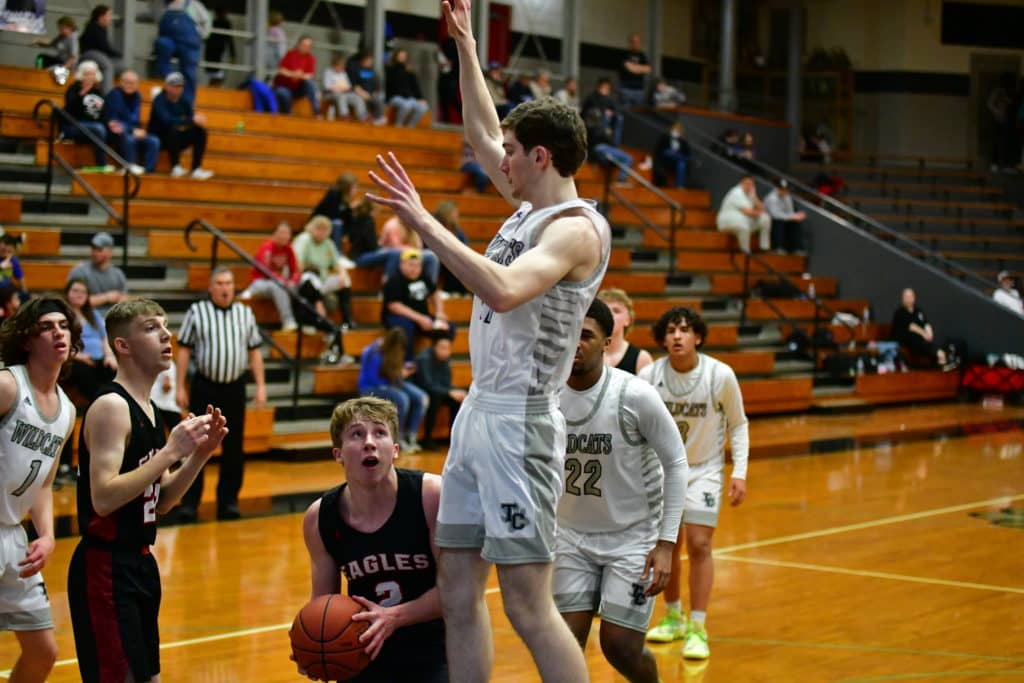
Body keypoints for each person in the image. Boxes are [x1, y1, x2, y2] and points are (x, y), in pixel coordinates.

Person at [365, 2, 612, 680]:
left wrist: (423, 223)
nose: (496, 159)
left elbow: (503, 289)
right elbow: (479, 130)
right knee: (457, 588)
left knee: (528, 604)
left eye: (510, 151)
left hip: (521, 424)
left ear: (540, 157)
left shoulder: (574, 230)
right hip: (479, 414)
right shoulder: (530, 206)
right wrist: (467, 47)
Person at [67, 299, 227, 683]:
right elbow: (103, 498)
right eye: (152, 328)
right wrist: (171, 451)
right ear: (122, 345)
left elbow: (162, 500)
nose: (166, 334)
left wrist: (199, 455)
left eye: (165, 326)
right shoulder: (111, 407)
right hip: (105, 567)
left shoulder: (150, 408)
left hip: (140, 563)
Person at [555, 298, 687, 683]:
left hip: (632, 537)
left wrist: (666, 544)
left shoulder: (634, 395)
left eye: (586, 335)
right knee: (560, 646)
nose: (575, 343)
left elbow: (676, 463)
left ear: (607, 342)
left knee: (620, 647)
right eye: (568, 334)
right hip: (570, 536)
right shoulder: (546, 396)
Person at [298, 396, 446, 682]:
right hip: (362, 649)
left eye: (379, 433)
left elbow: (457, 591)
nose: (369, 442)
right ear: (338, 454)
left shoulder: (431, 496)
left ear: (395, 449)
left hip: (434, 646)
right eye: (356, 434)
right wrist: (315, 643)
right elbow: (323, 601)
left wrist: (394, 617)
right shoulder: (320, 517)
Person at [640, 306, 748, 661]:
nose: (677, 336)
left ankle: (698, 626)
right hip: (662, 471)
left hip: (704, 469)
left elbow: (739, 424)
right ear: (662, 339)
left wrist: (740, 472)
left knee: (700, 544)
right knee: (668, 545)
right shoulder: (650, 376)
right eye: (671, 330)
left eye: (684, 330)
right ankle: (673, 617)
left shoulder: (720, 375)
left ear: (697, 337)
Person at [0, 297, 79, 683]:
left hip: (14, 537)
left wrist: (46, 535)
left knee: (43, 652)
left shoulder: (68, 410)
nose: (58, 333)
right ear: (28, 340)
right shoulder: (7, 385)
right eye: (47, 327)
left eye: (63, 325)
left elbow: (45, 481)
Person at [173, 266, 265, 523]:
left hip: (235, 388)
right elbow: (184, 350)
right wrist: (180, 386)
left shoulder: (245, 313)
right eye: (220, 283)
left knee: (234, 448)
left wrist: (260, 386)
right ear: (211, 287)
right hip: (205, 387)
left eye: (229, 283)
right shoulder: (197, 311)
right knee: (196, 444)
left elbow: (254, 351)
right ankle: (190, 503)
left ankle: (229, 502)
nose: (225, 288)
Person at [357, 328, 428, 454]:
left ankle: (411, 435)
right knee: (402, 399)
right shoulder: (374, 352)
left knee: (421, 397)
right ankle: (397, 437)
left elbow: (392, 373)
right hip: (371, 387)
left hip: (391, 382)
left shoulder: (392, 353)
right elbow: (374, 379)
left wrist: (402, 371)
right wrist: (399, 375)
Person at [382, 249, 450, 360]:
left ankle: (436, 359)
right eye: (411, 265)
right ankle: (407, 361)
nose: (414, 269)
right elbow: (394, 306)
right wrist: (420, 319)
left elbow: (435, 292)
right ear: (402, 265)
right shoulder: (394, 280)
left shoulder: (423, 277)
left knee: (447, 328)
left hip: (422, 316)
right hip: (398, 317)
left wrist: (439, 312)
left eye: (418, 266)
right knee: (405, 329)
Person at [147, 71, 214, 180]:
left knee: (200, 132)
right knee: (172, 129)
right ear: (167, 86)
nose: (178, 89)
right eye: (175, 86)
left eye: (180, 86)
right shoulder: (159, 100)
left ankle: (196, 168)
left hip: (177, 137)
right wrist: (189, 120)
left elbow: (191, 118)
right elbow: (166, 120)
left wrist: (197, 120)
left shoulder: (184, 101)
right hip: (159, 136)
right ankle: (175, 166)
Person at [292, 215, 356, 330]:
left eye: (325, 230)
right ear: (311, 228)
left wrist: (342, 274)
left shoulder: (328, 243)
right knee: (310, 278)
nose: (321, 232)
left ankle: (347, 319)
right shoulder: (304, 239)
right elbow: (298, 264)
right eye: (319, 228)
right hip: (305, 282)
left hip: (322, 280)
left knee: (345, 280)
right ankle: (317, 312)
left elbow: (337, 264)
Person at [239, 221, 300, 331]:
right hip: (261, 282)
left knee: (295, 287)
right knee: (278, 285)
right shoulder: (267, 248)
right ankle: (288, 321)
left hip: (278, 284)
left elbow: (295, 270)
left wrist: (293, 281)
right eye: (282, 232)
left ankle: (305, 322)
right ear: (275, 234)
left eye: (287, 233)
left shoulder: (289, 249)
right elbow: (266, 271)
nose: (284, 236)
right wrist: (284, 281)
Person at [411, 333, 465, 450]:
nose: (446, 351)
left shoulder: (445, 359)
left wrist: (454, 391)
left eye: (448, 348)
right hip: (423, 390)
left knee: (457, 400)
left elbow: (446, 382)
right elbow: (427, 385)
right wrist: (449, 392)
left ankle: (452, 436)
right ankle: (427, 437)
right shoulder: (424, 359)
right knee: (435, 398)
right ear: (434, 347)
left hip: (438, 390)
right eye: (443, 348)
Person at [103, 70, 161, 175]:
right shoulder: (114, 95)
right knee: (129, 138)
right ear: (121, 82)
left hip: (132, 129)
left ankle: (149, 171)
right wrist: (132, 130)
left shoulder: (137, 96)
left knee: (154, 140)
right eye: (127, 82)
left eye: (132, 83)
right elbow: (113, 122)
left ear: (137, 84)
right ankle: (130, 166)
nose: (129, 85)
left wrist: (139, 130)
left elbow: (135, 118)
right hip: (115, 132)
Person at [155, 0, 207, 104]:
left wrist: (200, 36)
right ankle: (172, 84)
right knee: (162, 44)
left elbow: (206, 22)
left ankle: (187, 104)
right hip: (170, 40)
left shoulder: (194, 5)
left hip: (189, 43)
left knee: (189, 72)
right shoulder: (163, 6)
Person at [67, 231, 128, 316]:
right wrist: (107, 297)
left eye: (99, 249)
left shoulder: (118, 274)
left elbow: (125, 299)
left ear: (110, 252)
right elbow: (76, 301)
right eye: (93, 249)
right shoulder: (80, 271)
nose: (94, 252)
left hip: (112, 319)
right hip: (87, 318)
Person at [61, 60, 109, 169]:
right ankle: (101, 164)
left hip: (94, 128)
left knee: (103, 128)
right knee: (99, 129)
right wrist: (82, 94)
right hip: (74, 125)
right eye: (87, 74)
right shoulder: (73, 89)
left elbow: (103, 113)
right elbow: (70, 110)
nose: (90, 77)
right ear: (81, 75)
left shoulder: (98, 92)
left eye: (92, 74)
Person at [583, 78, 632, 183]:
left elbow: (615, 109)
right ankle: (621, 180)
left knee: (619, 118)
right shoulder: (592, 106)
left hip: (605, 145)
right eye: (605, 88)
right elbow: (594, 133)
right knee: (627, 159)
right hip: (598, 147)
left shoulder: (608, 105)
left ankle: (619, 179)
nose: (607, 91)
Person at [598, 288, 653, 375]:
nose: (610, 315)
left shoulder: (642, 359)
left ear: (628, 319)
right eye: (605, 310)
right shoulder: (587, 354)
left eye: (616, 311)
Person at [890, 287, 948, 368]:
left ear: (914, 297)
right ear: (903, 298)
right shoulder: (900, 312)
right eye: (906, 297)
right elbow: (912, 327)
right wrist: (924, 334)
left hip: (919, 340)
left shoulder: (918, 311)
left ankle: (940, 358)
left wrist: (930, 333)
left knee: (925, 342)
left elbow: (926, 323)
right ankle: (939, 353)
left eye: (910, 296)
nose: (908, 299)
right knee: (917, 340)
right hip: (905, 340)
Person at [716, 175, 771, 253]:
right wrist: (759, 212)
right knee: (744, 226)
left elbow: (762, 208)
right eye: (747, 183)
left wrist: (754, 197)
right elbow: (748, 212)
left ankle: (764, 248)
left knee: (765, 218)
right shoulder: (736, 193)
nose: (749, 186)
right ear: (741, 183)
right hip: (728, 222)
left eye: (751, 184)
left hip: (744, 220)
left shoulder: (751, 194)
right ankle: (745, 252)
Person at [78, 5, 122, 95]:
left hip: (99, 55)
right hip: (89, 53)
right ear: (101, 17)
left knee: (121, 66)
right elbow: (103, 47)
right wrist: (116, 54)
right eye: (108, 15)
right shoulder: (93, 27)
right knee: (107, 66)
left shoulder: (102, 29)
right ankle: (107, 94)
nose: (110, 18)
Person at [273, 36, 319, 116]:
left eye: (309, 46)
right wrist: (293, 74)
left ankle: (316, 111)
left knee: (310, 84)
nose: (306, 48)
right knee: (283, 93)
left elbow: (310, 76)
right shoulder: (290, 54)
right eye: (304, 45)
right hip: (285, 87)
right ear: (298, 44)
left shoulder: (311, 58)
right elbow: (281, 70)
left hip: (299, 89)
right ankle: (287, 114)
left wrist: (300, 76)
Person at [385, 48, 430, 128]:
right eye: (400, 56)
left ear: (406, 58)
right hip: (395, 97)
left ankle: (410, 126)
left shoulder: (409, 71)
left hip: (409, 98)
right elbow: (390, 86)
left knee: (424, 107)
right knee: (407, 105)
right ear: (396, 57)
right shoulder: (390, 69)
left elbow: (415, 86)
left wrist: (421, 98)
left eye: (403, 56)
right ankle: (398, 124)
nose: (401, 58)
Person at [433, 200, 470, 296]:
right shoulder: (435, 226)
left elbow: (465, 247)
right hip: (437, 256)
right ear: (446, 213)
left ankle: (461, 292)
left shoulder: (457, 231)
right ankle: (445, 291)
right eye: (454, 213)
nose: (456, 216)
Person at [763, 179, 806, 254]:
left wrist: (796, 216)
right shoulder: (772, 198)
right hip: (770, 219)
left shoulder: (787, 197)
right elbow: (775, 215)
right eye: (781, 189)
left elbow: (790, 212)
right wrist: (792, 217)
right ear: (778, 188)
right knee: (779, 223)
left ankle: (796, 248)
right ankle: (778, 247)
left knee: (795, 223)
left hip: (783, 218)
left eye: (785, 190)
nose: (783, 191)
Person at [347, 51, 387, 125]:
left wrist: (376, 92)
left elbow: (377, 84)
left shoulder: (372, 71)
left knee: (379, 99)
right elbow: (354, 85)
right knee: (362, 100)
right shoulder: (356, 70)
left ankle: (377, 118)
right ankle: (365, 117)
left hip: (371, 93)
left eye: (371, 60)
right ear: (364, 60)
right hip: (361, 93)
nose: (370, 62)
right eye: (369, 60)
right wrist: (363, 93)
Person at [323, 54, 365, 122]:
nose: (342, 67)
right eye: (340, 66)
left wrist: (344, 89)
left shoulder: (343, 73)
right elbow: (327, 87)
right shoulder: (328, 72)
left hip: (344, 93)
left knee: (357, 97)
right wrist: (339, 89)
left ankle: (362, 116)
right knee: (341, 96)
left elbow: (348, 86)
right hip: (331, 94)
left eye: (343, 66)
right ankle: (344, 115)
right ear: (335, 65)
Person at [652, 120, 691, 189]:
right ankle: (679, 156)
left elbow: (687, 153)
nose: (676, 132)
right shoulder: (665, 138)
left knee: (682, 164)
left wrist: (679, 156)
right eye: (674, 130)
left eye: (678, 131)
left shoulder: (683, 142)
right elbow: (659, 150)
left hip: (674, 163)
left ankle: (679, 185)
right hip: (665, 160)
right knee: (669, 152)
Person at [204, 5, 235, 86]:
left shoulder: (213, 22)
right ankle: (212, 89)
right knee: (217, 76)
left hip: (211, 51)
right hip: (217, 51)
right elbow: (230, 39)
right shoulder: (225, 23)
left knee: (216, 75)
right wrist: (233, 55)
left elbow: (206, 37)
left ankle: (212, 88)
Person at [619, 32, 651, 108]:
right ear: (630, 43)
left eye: (638, 42)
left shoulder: (642, 56)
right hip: (627, 88)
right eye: (634, 41)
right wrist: (640, 68)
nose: (636, 44)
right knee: (626, 109)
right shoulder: (625, 54)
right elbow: (629, 68)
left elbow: (648, 69)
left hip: (639, 89)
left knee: (639, 110)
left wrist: (635, 67)